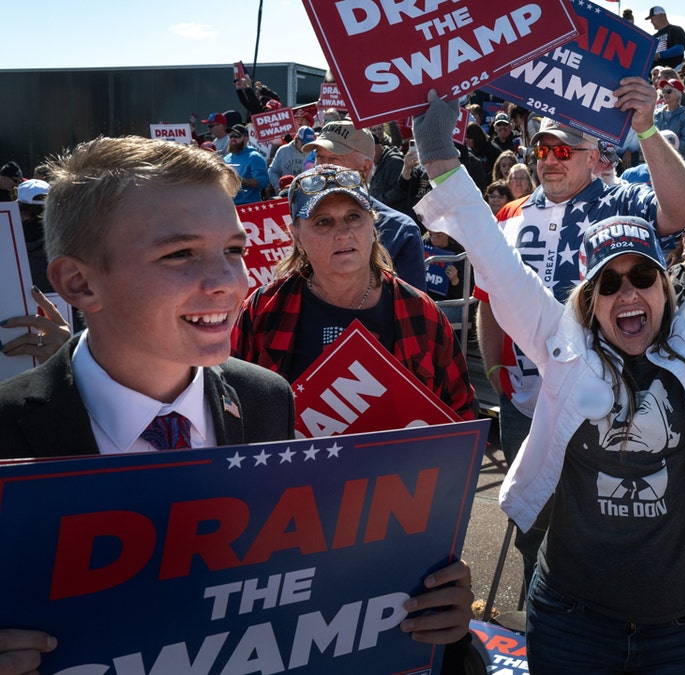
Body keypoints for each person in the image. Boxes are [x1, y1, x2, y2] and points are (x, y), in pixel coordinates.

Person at [413, 86, 685, 673]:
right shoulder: (561, 343)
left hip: (683, 622)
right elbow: (490, 257)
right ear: (588, 298)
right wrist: (437, 155)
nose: (627, 294)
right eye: (609, 283)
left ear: (664, 287)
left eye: (642, 278)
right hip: (571, 616)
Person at [0, 137, 475, 672]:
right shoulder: (12, 432)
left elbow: (292, 588)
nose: (229, 282)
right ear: (78, 282)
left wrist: (430, 611)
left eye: (234, 250)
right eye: (179, 253)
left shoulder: (264, 401)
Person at [471, 77, 685, 595]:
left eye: (562, 150)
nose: (548, 159)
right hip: (523, 398)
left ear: (593, 154)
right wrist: (492, 370)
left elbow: (683, 213)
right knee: (531, 521)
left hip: (606, 399)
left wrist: (645, 129)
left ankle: (608, 633)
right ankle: (544, 631)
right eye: (540, 149)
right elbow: (487, 300)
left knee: (606, 526)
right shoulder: (511, 211)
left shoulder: (622, 198)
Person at [230, 164, 476, 420]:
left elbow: (460, 412)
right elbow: (227, 406)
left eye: (354, 217)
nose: (344, 233)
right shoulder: (263, 311)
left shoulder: (422, 313)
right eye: (323, 222)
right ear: (297, 237)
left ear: (373, 224)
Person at [303, 121, 427, 292]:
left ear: (365, 167)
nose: (323, 168)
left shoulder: (400, 230)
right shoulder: (303, 219)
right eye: (320, 157)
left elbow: (414, 308)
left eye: (334, 159)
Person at [222, 124, 269, 205]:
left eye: (236, 136)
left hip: (249, 205)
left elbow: (264, 182)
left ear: (246, 138)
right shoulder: (226, 159)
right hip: (230, 206)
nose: (233, 139)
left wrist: (241, 180)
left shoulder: (254, 157)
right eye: (231, 136)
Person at [269, 126, 315, 191]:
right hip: (285, 190)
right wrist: (277, 187)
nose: (306, 147)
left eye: (309, 144)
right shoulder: (283, 151)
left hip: (307, 191)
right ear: (297, 139)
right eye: (304, 144)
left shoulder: (314, 153)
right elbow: (273, 171)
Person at [654, 78, 685, 148]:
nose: (665, 94)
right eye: (663, 91)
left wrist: (671, 155)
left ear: (678, 94)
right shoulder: (656, 113)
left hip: (674, 156)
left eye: (669, 91)